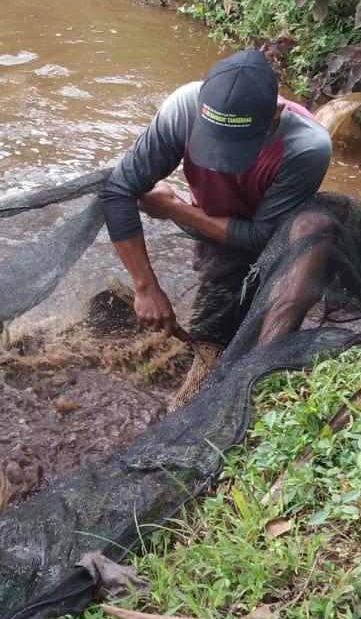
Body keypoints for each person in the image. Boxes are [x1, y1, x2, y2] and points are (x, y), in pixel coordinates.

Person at [100, 49, 334, 404]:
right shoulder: (184, 106)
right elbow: (119, 190)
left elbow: (259, 237)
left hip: (269, 232)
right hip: (214, 222)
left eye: (236, 149)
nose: (223, 163)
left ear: (274, 116)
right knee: (214, 311)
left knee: (311, 236)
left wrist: (175, 209)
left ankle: (258, 371)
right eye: (214, 145)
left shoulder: (307, 147)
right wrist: (146, 288)